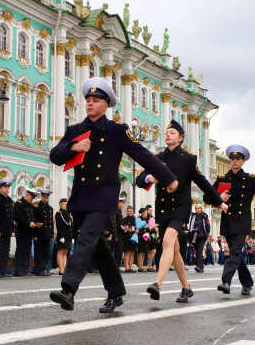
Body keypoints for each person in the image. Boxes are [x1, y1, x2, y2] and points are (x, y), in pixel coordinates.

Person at [49, 77, 177, 313]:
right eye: (88, 99)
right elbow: (55, 155)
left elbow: (144, 155)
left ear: (106, 105)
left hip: (104, 196)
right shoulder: (75, 131)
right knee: (97, 246)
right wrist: (72, 147)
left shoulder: (117, 131)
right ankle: (116, 291)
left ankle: (68, 290)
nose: (90, 103)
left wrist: (169, 177)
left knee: (87, 238)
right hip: (80, 197)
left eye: (95, 100)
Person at [139, 119, 226, 303]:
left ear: (180, 138)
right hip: (163, 208)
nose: (168, 134)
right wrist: (150, 177)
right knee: (175, 250)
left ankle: (157, 284)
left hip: (181, 206)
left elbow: (203, 182)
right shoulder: (157, 158)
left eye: (172, 132)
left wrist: (219, 202)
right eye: (167, 131)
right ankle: (186, 288)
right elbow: (140, 179)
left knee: (169, 240)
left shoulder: (188, 159)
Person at [209, 145, 255, 294]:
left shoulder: (250, 179)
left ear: (243, 161)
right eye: (232, 159)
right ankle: (247, 283)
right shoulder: (223, 179)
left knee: (234, 251)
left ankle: (226, 282)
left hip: (242, 222)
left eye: (238, 159)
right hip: (228, 221)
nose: (234, 161)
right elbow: (207, 197)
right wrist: (218, 197)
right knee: (237, 255)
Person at [0, 178, 15, 278]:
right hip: (0, 231)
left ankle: (3, 270)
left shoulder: (10, 201)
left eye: (8, 187)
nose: (7, 189)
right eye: (5, 187)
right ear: (0, 188)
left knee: (5, 251)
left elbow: (12, 217)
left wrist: (12, 230)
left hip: (7, 230)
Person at [14, 188, 39, 277]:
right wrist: (28, 223)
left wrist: (35, 223)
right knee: (20, 251)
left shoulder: (30, 206)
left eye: (33, 198)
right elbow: (17, 217)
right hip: (21, 231)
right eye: (31, 198)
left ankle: (25, 270)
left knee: (27, 252)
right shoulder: (19, 204)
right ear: (27, 195)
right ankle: (19, 270)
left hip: (29, 232)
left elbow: (32, 218)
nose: (32, 200)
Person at [33, 188, 54, 276]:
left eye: (47, 197)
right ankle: (38, 270)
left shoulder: (50, 208)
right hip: (39, 233)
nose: (45, 198)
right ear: (41, 196)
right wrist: (34, 234)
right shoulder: (37, 207)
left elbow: (51, 222)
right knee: (38, 252)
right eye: (43, 196)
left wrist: (52, 234)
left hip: (47, 234)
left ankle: (43, 268)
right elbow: (34, 220)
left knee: (46, 252)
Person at [189, 204, 210, 273]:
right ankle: (199, 266)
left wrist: (207, 234)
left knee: (200, 250)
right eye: (196, 208)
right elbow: (191, 226)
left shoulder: (205, 216)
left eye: (199, 208)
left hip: (202, 236)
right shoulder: (193, 216)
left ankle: (200, 266)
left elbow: (207, 225)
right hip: (195, 236)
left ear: (201, 209)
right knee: (197, 251)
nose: (197, 209)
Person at [55, 198, 73, 275]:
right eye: (65, 204)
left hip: (68, 235)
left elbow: (71, 226)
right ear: (61, 205)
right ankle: (61, 269)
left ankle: (64, 268)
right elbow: (59, 226)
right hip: (62, 236)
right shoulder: (59, 213)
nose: (66, 206)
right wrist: (61, 236)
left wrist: (71, 237)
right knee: (60, 252)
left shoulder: (68, 214)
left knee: (65, 252)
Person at [109, 197, 126, 268]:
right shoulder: (114, 211)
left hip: (119, 233)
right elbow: (114, 223)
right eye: (121, 203)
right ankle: (114, 266)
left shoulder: (119, 211)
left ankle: (116, 266)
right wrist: (120, 226)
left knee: (119, 250)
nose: (122, 204)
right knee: (116, 250)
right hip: (115, 233)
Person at [121, 206, 137, 272]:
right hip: (126, 237)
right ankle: (126, 267)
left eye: (131, 211)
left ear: (133, 212)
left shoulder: (135, 219)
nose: (129, 212)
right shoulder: (124, 219)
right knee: (127, 252)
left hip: (133, 237)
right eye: (128, 211)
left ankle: (130, 267)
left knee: (132, 252)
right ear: (127, 212)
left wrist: (133, 229)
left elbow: (138, 227)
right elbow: (122, 228)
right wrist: (126, 229)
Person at [136, 207, 149, 272]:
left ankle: (142, 265)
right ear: (142, 213)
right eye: (145, 212)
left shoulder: (146, 219)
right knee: (140, 252)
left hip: (146, 237)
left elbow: (148, 227)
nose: (146, 213)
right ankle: (140, 266)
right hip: (141, 237)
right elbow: (138, 228)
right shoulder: (139, 219)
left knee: (144, 252)